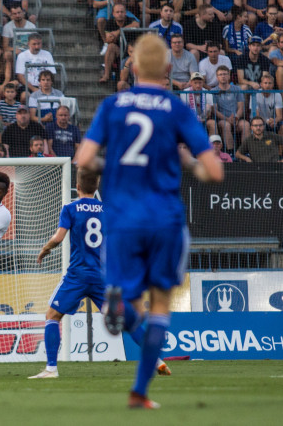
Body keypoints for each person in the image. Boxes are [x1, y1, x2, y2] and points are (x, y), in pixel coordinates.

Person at [75, 33, 223, 409]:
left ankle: (119, 302)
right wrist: (187, 163)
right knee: (160, 303)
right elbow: (214, 172)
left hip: (122, 217)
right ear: (170, 69)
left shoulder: (113, 105)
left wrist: (114, 166)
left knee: (129, 299)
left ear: (134, 66)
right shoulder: (176, 108)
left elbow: (84, 160)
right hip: (164, 219)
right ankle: (139, 392)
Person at [29, 169, 171, 379]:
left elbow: (59, 237)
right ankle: (157, 360)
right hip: (103, 277)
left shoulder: (70, 208)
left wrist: (45, 249)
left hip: (77, 275)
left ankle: (51, 369)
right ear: (96, 187)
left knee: (52, 316)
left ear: (77, 186)